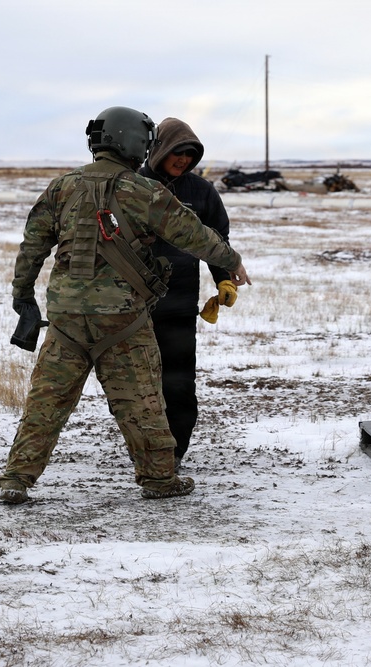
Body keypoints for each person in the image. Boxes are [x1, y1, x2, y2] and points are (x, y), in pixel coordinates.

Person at [0, 106, 250, 504]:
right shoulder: (145, 191)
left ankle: (16, 479)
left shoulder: (61, 187)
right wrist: (230, 261)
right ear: (135, 142)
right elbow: (194, 234)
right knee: (143, 404)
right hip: (124, 322)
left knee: (46, 402)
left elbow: (32, 247)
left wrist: (23, 296)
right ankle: (160, 479)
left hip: (65, 320)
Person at [137, 117, 239, 470]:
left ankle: (174, 452)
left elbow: (216, 241)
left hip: (179, 305)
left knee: (178, 383)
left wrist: (224, 279)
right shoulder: (132, 186)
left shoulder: (201, 192)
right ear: (159, 149)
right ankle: (144, 446)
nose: (183, 159)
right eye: (177, 152)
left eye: (190, 153)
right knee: (135, 384)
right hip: (132, 307)